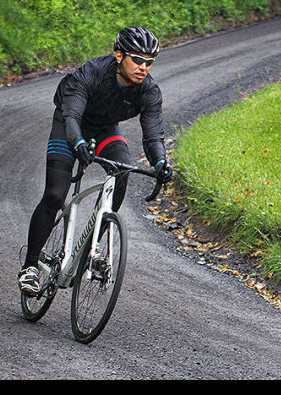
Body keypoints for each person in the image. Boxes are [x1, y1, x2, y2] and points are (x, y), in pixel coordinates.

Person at [18, 26, 172, 295]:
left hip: (105, 129)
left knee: (121, 172)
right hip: (70, 125)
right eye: (137, 59)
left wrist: (160, 162)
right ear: (118, 56)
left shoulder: (148, 91)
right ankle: (30, 267)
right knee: (55, 195)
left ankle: (92, 248)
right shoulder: (91, 73)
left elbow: (153, 136)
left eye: (149, 62)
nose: (143, 67)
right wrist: (77, 143)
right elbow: (72, 116)